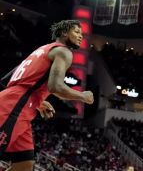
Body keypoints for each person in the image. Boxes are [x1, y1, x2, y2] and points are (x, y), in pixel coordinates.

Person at [0, 20, 95, 170]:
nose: (81, 36)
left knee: (24, 164)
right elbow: (55, 86)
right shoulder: (64, 51)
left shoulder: (43, 49)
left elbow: (7, 80)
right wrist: (83, 96)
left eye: (82, 34)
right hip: (15, 105)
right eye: (77, 32)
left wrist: (37, 101)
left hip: (20, 102)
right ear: (64, 33)